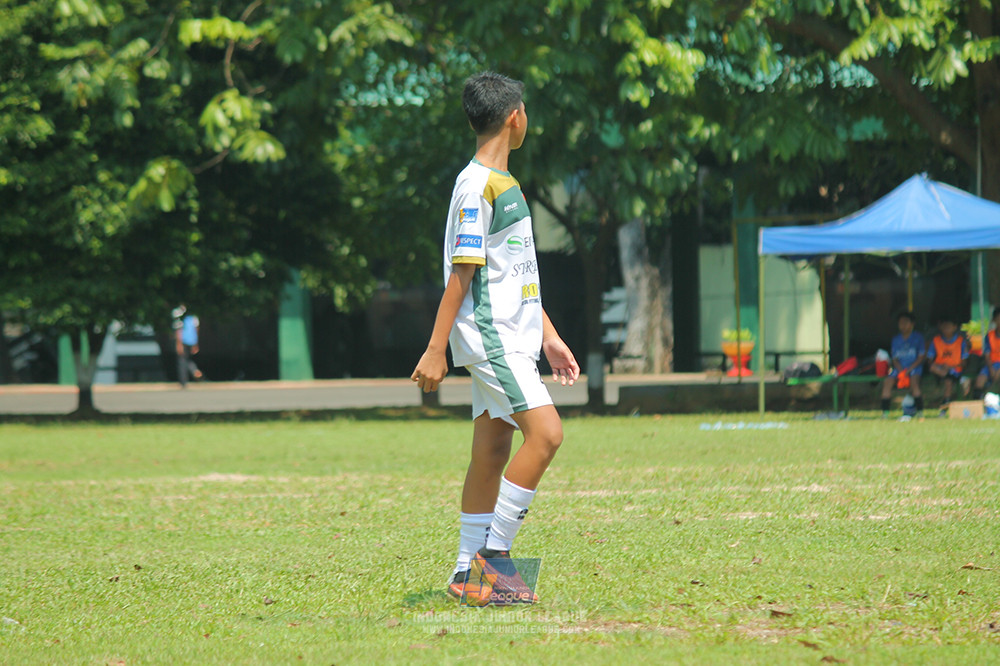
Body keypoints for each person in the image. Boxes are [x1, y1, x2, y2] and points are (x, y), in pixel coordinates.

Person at [410, 72, 580, 605]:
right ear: (514, 117)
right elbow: (462, 275)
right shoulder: (477, 185)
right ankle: (494, 561)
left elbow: (515, 273)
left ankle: (465, 574)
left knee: (491, 448)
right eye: (525, 109)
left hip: (516, 334)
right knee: (547, 434)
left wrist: (549, 336)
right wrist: (436, 349)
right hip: (495, 339)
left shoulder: (502, 183)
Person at [879, 311, 925, 417]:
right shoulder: (896, 339)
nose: (903, 325)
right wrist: (901, 371)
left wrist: (909, 370)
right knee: (888, 382)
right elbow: (894, 359)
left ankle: (920, 412)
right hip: (900, 369)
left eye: (905, 322)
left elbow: (921, 357)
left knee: (914, 383)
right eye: (900, 323)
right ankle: (885, 413)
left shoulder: (918, 338)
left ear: (912, 323)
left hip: (914, 367)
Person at [926, 314, 970, 408]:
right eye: (944, 326)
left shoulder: (961, 341)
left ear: (955, 327)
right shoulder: (936, 340)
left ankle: (945, 404)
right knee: (934, 368)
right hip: (940, 370)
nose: (946, 328)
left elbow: (964, 362)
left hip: (955, 369)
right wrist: (939, 367)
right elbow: (929, 359)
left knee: (948, 381)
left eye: (949, 326)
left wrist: (950, 367)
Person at [172, 304, 203, 387]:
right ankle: (195, 371)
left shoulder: (178, 315)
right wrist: (195, 344)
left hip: (183, 341)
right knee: (187, 359)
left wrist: (179, 344)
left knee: (181, 360)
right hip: (192, 341)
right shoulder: (193, 318)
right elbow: (196, 330)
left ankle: (183, 382)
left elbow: (179, 331)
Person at [974, 307, 1000, 398]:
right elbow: (987, 354)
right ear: (994, 320)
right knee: (980, 380)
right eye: (998, 319)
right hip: (991, 364)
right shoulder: (989, 336)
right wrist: (991, 368)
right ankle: (978, 405)